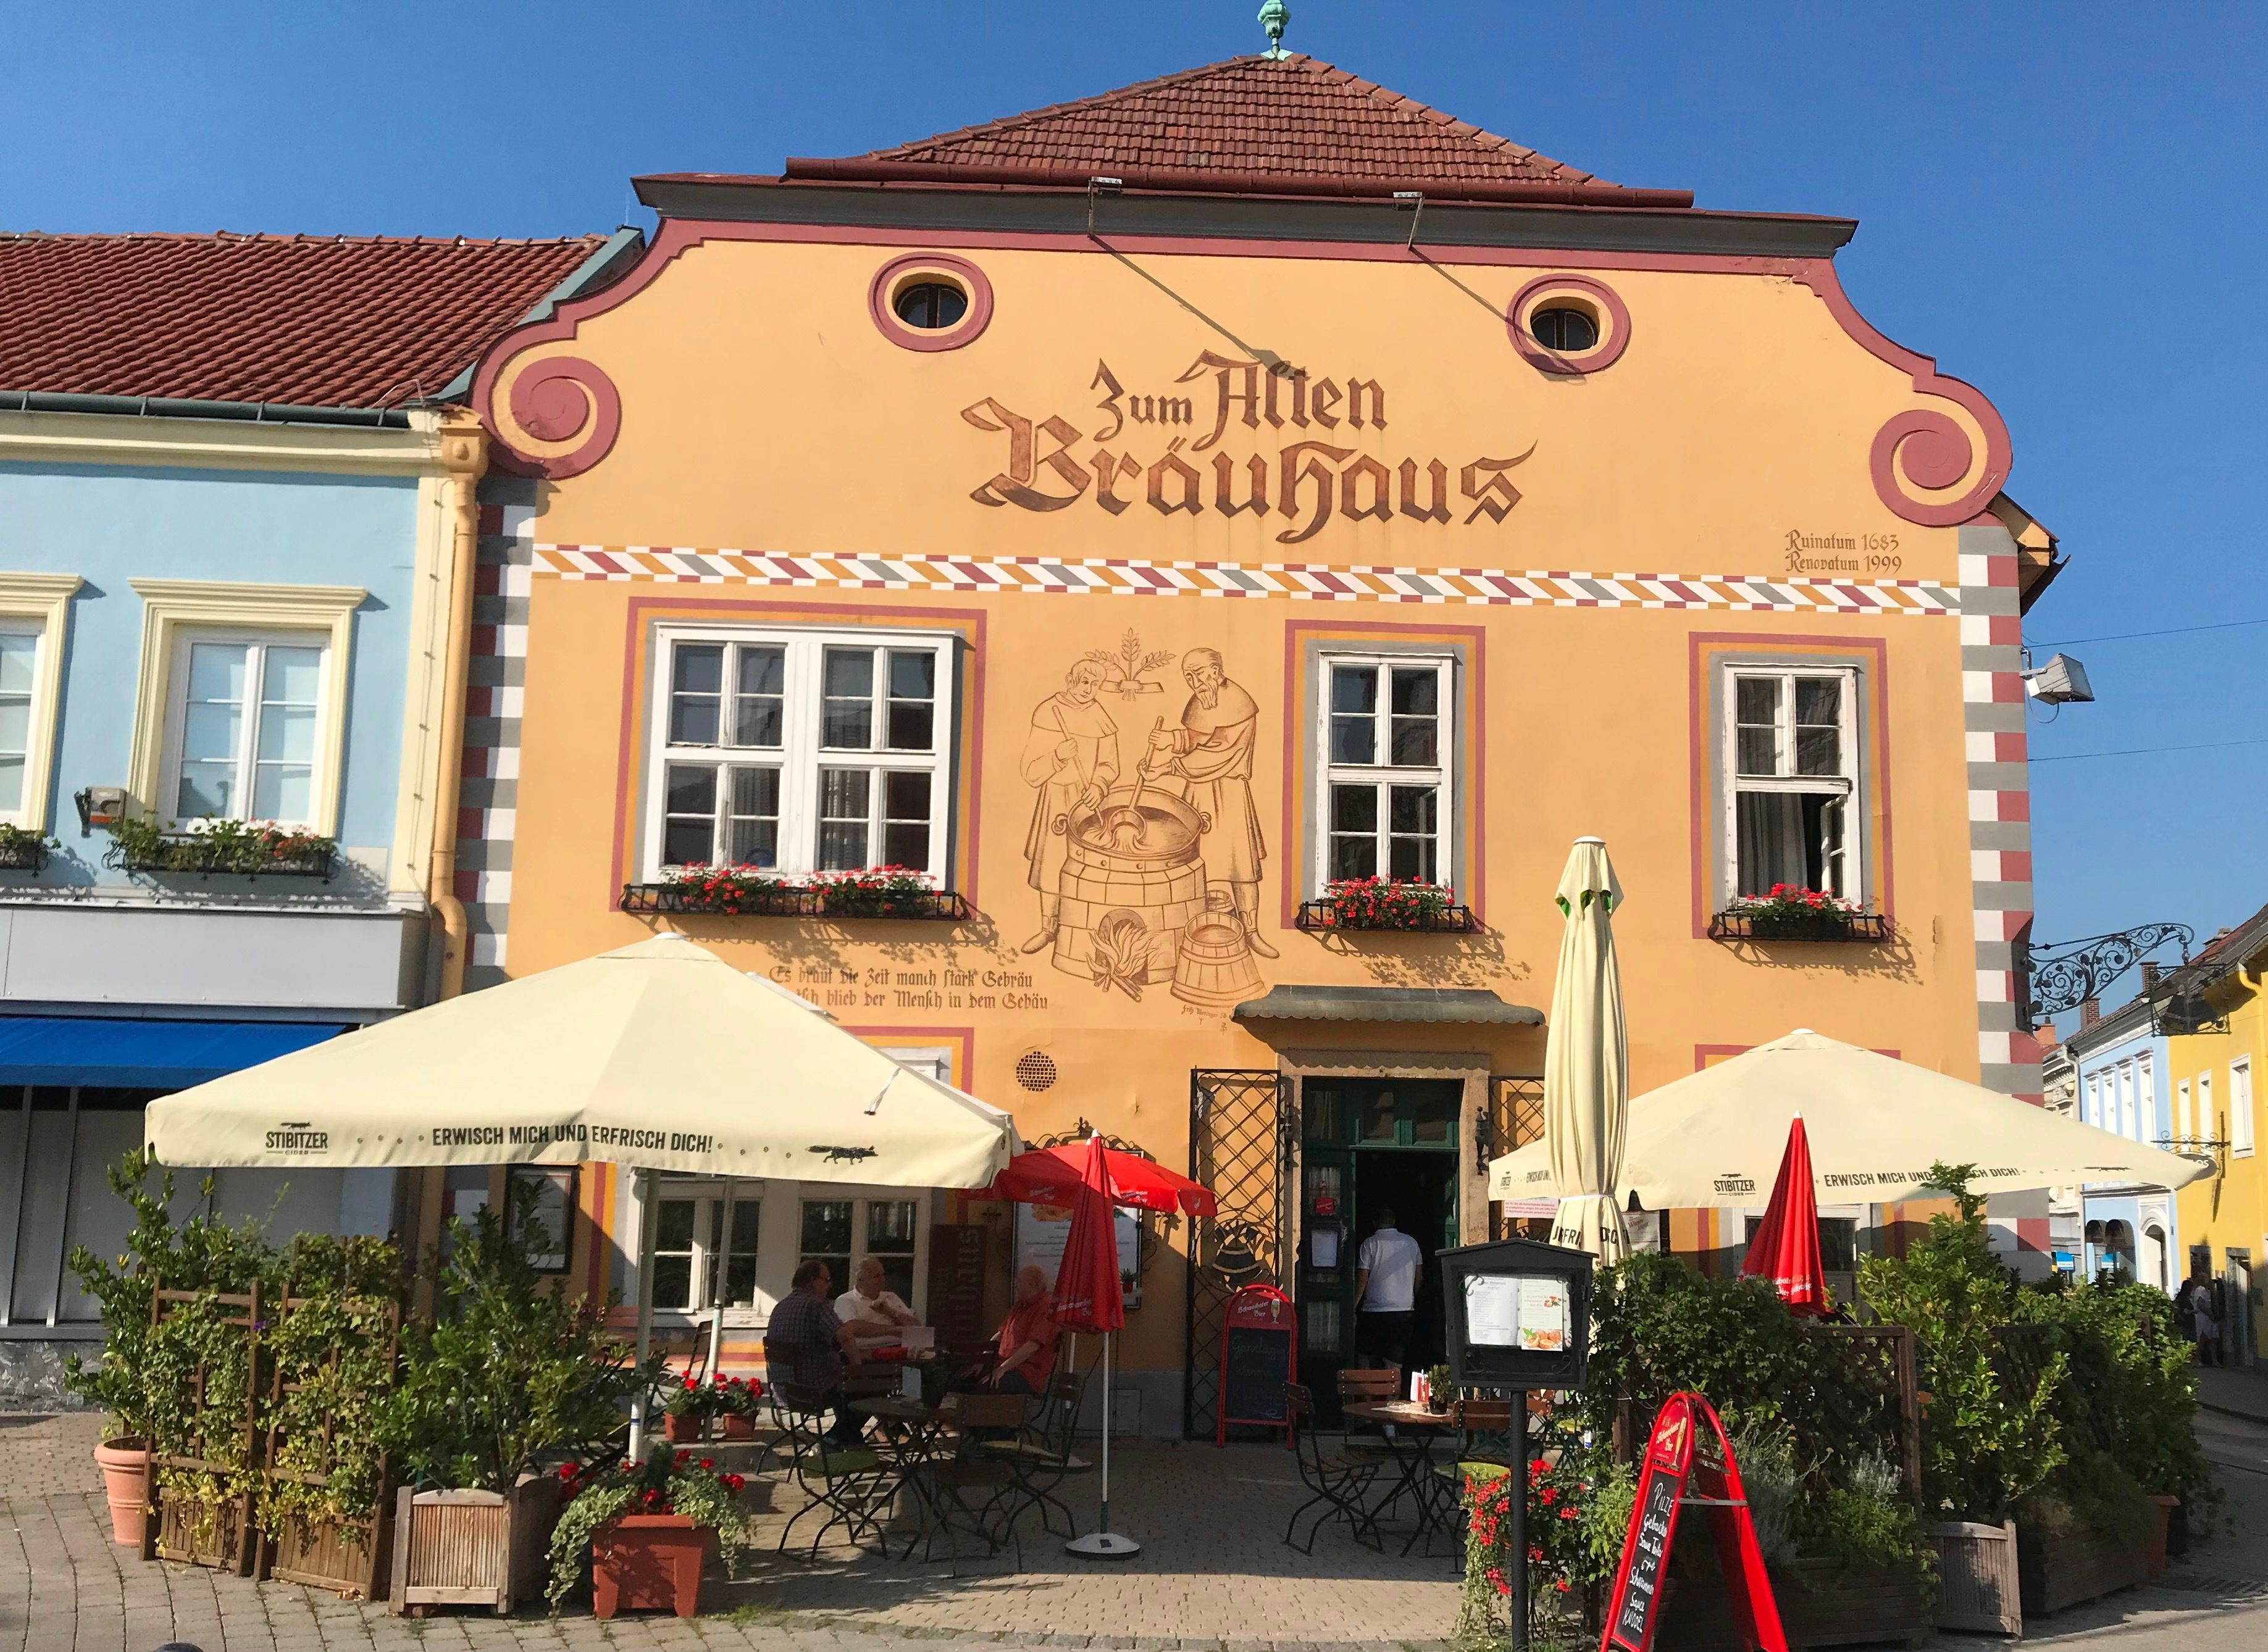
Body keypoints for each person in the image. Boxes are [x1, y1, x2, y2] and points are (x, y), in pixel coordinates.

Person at [1145, 648, 1276, 957]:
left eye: (1199, 674)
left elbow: (1220, 748)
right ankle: (1190, 932)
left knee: (1241, 867)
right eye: (1188, 676)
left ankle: (1252, 932)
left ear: (1216, 672)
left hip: (1230, 792)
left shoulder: (1240, 704)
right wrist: (1172, 740)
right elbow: (1196, 737)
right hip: (1197, 791)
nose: (1194, 682)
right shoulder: (1202, 700)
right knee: (1193, 863)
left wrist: (1167, 767)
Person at [1021, 657, 1121, 953]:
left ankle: (1088, 929)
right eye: (1084, 681)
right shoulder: (1048, 713)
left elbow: (1110, 764)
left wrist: (1099, 786)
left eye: (1095, 684)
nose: (1088, 690)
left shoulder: (1100, 716)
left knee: (1091, 866)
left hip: (1088, 803)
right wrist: (1058, 756)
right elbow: (1030, 771)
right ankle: (1048, 928)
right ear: (1070, 679)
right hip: (1057, 802)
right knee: (1053, 866)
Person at [762, 1259, 869, 1444]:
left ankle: (849, 1443)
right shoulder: (817, 1305)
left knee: (848, 1391)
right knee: (870, 1388)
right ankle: (833, 1440)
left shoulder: (780, 1307)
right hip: (813, 1391)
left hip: (782, 1391)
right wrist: (858, 1367)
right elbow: (844, 1336)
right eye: (826, 1280)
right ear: (811, 1281)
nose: (830, 1285)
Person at [1354, 1204, 1422, 1373]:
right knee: (1395, 1364)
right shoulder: (1411, 1243)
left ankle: (1367, 1399)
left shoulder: (1369, 1244)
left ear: (1375, 1222)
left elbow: (1363, 1279)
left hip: (1373, 1311)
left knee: (1365, 1357)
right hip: (1403, 1312)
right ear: (1394, 1222)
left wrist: (1353, 1306)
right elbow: (1419, 1278)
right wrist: (1411, 1298)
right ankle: (1393, 1398)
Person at [987, 1264, 1062, 1395]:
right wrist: (982, 1360)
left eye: (1019, 1282)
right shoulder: (1020, 1306)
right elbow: (1000, 1334)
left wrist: (1003, 1368)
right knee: (966, 1381)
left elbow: (1032, 1346)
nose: (1015, 1286)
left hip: (1026, 1374)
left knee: (986, 1387)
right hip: (1004, 1367)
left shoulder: (1046, 1307)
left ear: (1032, 1284)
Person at [835, 1256, 921, 1347]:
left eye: (883, 1275)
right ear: (860, 1280)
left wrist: (891, 1312)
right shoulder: (846, 1300)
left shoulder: (891, 1297)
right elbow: (856, 1328)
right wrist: (898, 1330)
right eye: (876, 1276)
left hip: (900, 1349)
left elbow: (916, 1328)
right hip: (868, 1352)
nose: (882, 1280)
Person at [2184, 1274, 2220, 1367]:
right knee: (2203, 1339)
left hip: (2206, 1318)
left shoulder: (2204, 1290)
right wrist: (2210, 1314)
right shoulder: (2201, 1290)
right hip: (2204, 1318)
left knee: (2211, 1340)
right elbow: (2201, 1304)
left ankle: (2214, 1361)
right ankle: (2197, 1360)